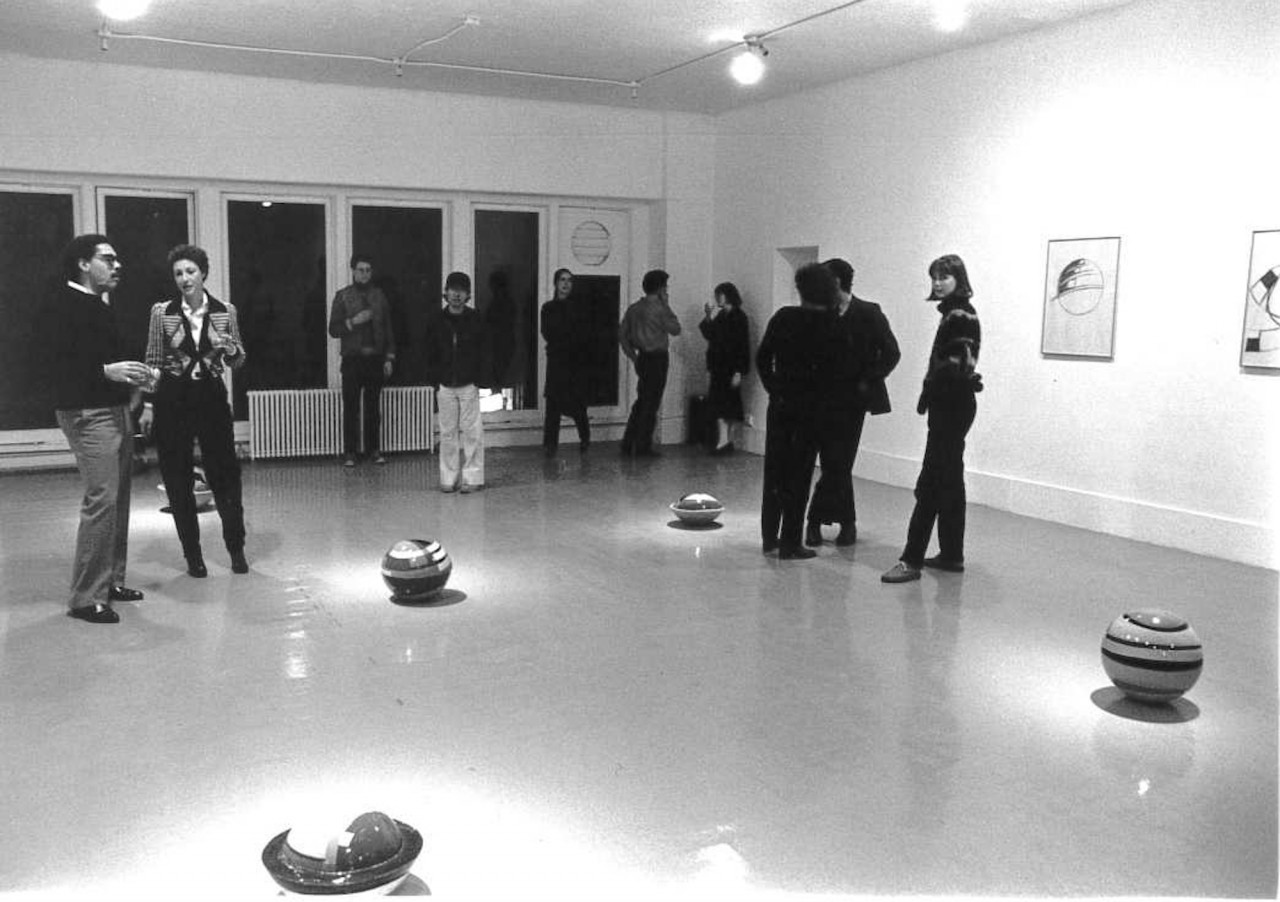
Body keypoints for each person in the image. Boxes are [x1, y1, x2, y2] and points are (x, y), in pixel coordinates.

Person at [38, 234, 151, 623]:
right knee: (102, 500)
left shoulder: (99, 307)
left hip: (113, 409)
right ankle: (86, 598)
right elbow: (51, 367)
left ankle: (110, 581)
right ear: (84, 264)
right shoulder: (60, 305)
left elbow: (106, 359)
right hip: (88, 414)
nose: (117, 265)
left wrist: (137, 379)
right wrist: (107, 371)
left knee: (117, 500)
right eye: (108, 258)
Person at [138, 244, 248, 579]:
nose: (184, 278)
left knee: (225, 475)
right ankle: (193, 556)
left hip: (212, 399)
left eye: (190, 271)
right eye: (178, 273)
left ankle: (236, 549)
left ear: (203, 273)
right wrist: (147, 404)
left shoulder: (224, 311)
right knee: (177, 477)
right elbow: (153, 359)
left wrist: (231, 350)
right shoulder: (163, 312)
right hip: (173, 400)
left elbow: (238, 358)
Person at [882, 254, 983, 583]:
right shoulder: (956, 313)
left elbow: (954, 367)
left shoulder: (959, 315)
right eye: (934, 277)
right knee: (951, 482)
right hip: (954, 404)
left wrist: (934, 392)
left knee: (931, 483)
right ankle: (952, 554)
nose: (937, 283)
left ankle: (911, 560)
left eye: (944, 276)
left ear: (959, 279)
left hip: (951, 406)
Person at [756, 263, 849, 560]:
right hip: (812, 410)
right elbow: (838, 372)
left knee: (775, 472)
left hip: (781, 406)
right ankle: (790, 542)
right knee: (799, 474)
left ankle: (770, 538)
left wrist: (775, 388)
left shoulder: (784, 317)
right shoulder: (832, 325)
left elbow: (762, 358)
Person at [806, 258, 901, 546]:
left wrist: (868, 378)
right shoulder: (821, 313)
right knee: (833, 462)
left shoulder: (869, 313)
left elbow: (891, 352)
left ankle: (816, 521)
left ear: (837, 281)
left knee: (840, 462)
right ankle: (844, 523)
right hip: (822, 398)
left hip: (853, 401)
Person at [425, 271, 491, 493]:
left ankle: (473, 477)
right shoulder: (436, 320)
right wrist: (435, 378)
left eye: (461, 291)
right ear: (446, 292)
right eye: (452, 290)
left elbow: (483, 351)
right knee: (447, 432)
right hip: (445, 384)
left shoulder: (476, 319)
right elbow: (430, 352)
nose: (456, 295)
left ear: (468, 295)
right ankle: (448, 476)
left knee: (472, 431)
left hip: (468, 383)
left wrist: (480, 379)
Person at [328, 253, 396, 467]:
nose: (364, 274)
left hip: (375, 359)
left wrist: (389, 357)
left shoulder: (379, 296)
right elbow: (333, 329)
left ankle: (374, 450)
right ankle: (350, 452)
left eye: (368, 270)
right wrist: (352, 322)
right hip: (352, 360)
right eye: (360, 270)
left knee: (373, 408)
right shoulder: (342, 296)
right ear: (353, 271)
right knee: (350, 408)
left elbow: (388, 329)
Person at [618, 269, 681, 457]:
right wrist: (667, 305)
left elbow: (622, 336)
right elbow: (675, 329)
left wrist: (634, 357)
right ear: (661, 288)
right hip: (658, 359)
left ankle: (629, 442)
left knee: (641, 400)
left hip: (643, 358)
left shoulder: (634, 308)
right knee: (651, 403)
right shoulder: (660, 309)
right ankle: (643, 445)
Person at [540, 268, 591, 456]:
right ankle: (550, 445)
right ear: (556, 283)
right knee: (553, 403)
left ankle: (585, 438)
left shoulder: (579, 307)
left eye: (569, 280)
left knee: (577, 404)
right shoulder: (548, 308)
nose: (566, 283)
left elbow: (582, 333)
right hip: (557, 361)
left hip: (575, 361)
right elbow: (548, 332)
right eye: (562, 279)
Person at [698, 281, 751, 455]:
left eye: (719, 295)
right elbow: (710, 333)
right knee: (720, 404)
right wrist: (707, 315)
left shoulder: (739, 317)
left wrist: (739, 371)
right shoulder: (722, 316)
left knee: (729, 404)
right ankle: (724, 440)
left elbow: (742, 345)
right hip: (719, 367)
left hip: (730, 367)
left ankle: (727, 440)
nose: (717, 299)